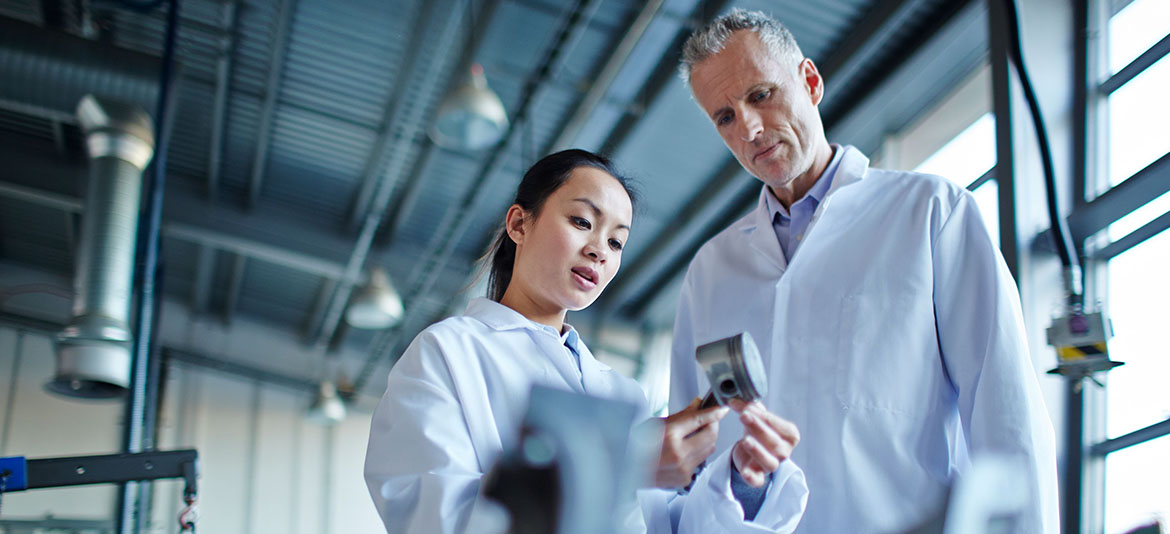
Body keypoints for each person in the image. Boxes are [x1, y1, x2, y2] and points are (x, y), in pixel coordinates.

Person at [668, 9, 1060, 533]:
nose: (750, 129)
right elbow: (685, 461)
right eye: (725, 117)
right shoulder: (712, 271)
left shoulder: (931, 214)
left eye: (760, 95)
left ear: (810, 81)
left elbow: (1006, 415)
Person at [363, 149, 808, 534]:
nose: (600, 250)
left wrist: (747, 483)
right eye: (582, 221)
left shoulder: (620, 392)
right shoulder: (448, 354)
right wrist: (619, 464)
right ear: (519, 224)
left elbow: (661, 526)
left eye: (617, 242)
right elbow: (437, 520)